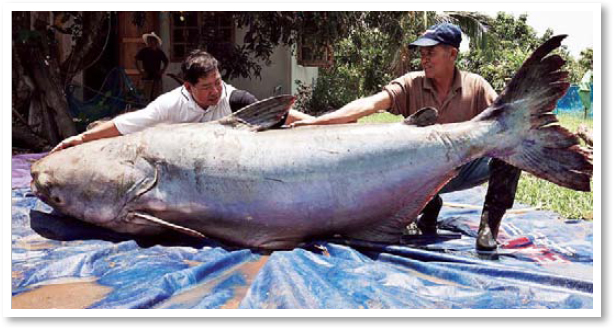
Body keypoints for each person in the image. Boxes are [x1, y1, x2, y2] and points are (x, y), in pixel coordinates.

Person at [292, 23, 522, 251]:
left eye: (430, 52)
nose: (424, 59)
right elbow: (368, 104)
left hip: (464, 167)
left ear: (452, 53)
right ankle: (425, 205)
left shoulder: (477, 86)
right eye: (422, 54)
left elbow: (503, 117)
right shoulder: (411, 84)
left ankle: (489, 227)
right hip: (419, 174)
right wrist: (317, 122)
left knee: (512, 149)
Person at [51, 49, 314, 153]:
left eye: (218, 83)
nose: (215, 91)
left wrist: (321, 123)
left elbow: (279, 114)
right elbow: (127, 124)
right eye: (207, 87)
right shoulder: (168, 106)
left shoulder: (234, 99)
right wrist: (82, 139)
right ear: (187, 87)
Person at [136, 32, 169, 103]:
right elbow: (137, 61)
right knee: (146, 97)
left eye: (151, 40)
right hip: (147, 76)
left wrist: (162, 71)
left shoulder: (159, 52)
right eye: (149, 40)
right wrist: (141, 72)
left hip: (156, 76)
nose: (150, 42)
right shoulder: (144, 51)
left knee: (156, 97)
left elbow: (166, 62)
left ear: (155, 41)